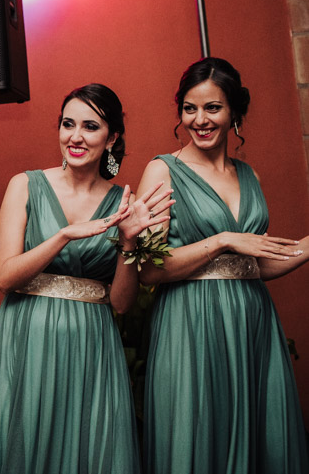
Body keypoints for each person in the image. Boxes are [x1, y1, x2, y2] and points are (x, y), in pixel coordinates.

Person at [0, 84, 173, 474]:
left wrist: (130, 242)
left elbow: (120, 303)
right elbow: (4, 276)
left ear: (112, 137)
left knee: (91, 449)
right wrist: (63, 235)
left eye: (90, 126)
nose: (75, 136)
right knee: (25, 447)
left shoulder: (124, 205)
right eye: (67, 124)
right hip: (27, 336)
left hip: (91, 342)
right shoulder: (25, 185)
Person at [131, 58, 309, 473]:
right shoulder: (163, 171)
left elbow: (255, 267)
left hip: (252, 321)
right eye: (190, 108)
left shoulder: (250, 176)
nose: (200, 119)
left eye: (213, 108)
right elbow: (150, 270)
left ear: (234, 112)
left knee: (259, 440)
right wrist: (222, 240)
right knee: (199, 438)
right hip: (190, 325)